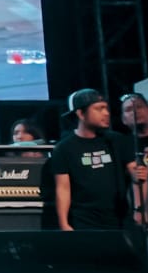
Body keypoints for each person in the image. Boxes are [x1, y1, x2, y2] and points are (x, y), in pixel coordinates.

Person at [49, 89, 138, 231]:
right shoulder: (64, 148)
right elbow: (63, 188)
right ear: (80, 114)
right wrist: (64, 223)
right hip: (84, 223)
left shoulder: (117, 141)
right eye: (99, 109)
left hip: (120, 222)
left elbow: (134, 172)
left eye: (106, 108)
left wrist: (138, 174)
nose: (106, 113)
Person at [120, 92, 148, 227]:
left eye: (139, 107)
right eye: (129, 109)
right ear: (123, 119)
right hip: (141, 219)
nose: (135, 111)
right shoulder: (122, 145)